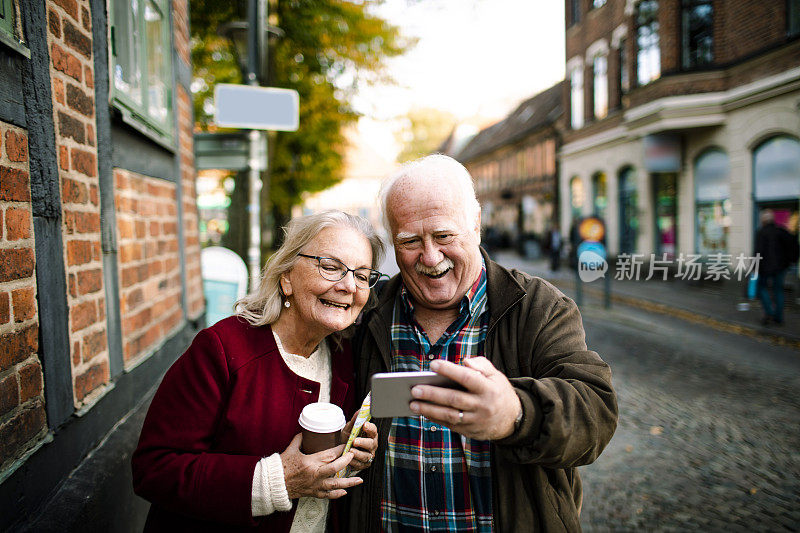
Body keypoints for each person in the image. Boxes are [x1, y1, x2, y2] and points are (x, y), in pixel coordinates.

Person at [344, 154, 618, 532]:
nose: (430, 256)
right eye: (410, 241)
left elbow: (595, 412)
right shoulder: (365, 312)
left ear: (475, 225)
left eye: (444, 236)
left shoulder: (538, 306)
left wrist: (517, 414)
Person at [132, 211, 385, 532]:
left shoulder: (344, 356)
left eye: (362, 276)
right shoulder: (221, 349)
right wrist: (276, 480)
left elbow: (318, 478)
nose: (349, 286)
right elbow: (154, 470)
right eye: (331, 268)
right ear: (287, 277)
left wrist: (346, 453)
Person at [754, 209, 799, 326]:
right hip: (780, 268)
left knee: (761, 288)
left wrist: (754, 267)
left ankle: (769, 312)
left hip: (765, 268)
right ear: (773, 219)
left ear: (763, 220)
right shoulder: (781, 231)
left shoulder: (761, 232)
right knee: (778, 291)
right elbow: (794, 245)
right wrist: (791, 261)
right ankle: (778, 318)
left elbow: (758, 252)